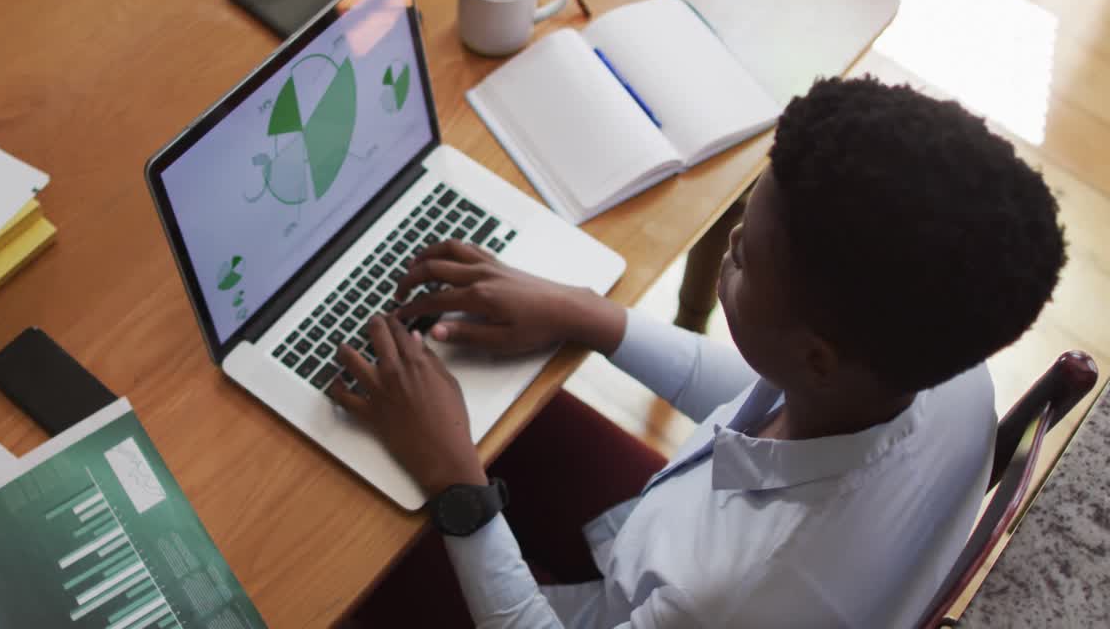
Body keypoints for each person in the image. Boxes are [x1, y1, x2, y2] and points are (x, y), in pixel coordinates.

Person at [329, 76, 1067, 628]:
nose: (730, 247)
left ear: (817, 356)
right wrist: (588, 315)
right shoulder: (945, 371)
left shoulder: (732, 593)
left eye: (744, 257)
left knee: (342, 565)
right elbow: (759, 386)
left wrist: (458, 484)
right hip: (656, 544)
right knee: (497, 414)